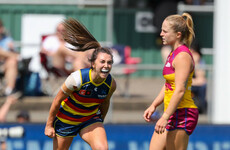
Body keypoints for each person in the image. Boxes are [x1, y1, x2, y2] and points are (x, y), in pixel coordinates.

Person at [44, 18, 117, 150]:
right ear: (93, 64)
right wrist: (49, 125)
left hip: (90, 119)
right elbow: (57, 100)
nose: (106, 66)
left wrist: (99, 122)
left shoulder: (110, 83)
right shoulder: (77, 79)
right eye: (102, 62)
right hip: (66, 119)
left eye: (109, 62)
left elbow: (105, 103)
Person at [143, 13, 199, 150]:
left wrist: (165, 117)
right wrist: (154, 105)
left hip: (183, 113)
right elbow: (169, 85)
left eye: (165, 31)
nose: (161, 34)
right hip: (171, 112)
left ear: (178, 34)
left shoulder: (182, 56)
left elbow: (180, 90)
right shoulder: (172, 53)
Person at [0, 19, 20, 96]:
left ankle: (9, 90)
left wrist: (12, 50)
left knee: (12, 62)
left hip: (5, 65)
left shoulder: (8, 40)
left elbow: (17, 53)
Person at [190, 39, 207, 113]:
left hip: (193, 84)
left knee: (203, 86)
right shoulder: (183, 59)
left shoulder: (200, 61)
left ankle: (201, 108)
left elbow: (201, 80)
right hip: (184, 84)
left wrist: (196, 62)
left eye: (194, 51)